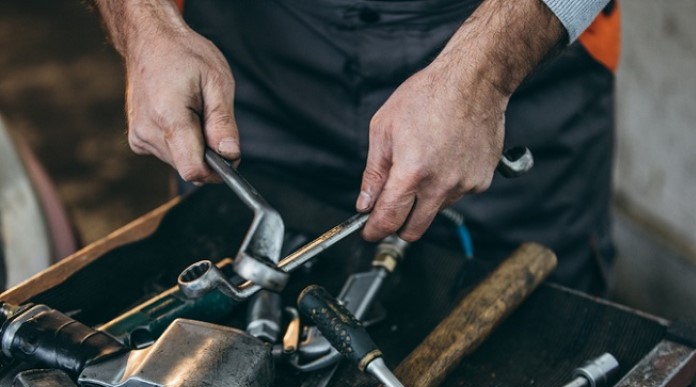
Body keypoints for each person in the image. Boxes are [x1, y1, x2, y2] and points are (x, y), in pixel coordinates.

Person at [90, 0, 620, 295]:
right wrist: (144, 27)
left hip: (513, 44)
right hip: (248, 56)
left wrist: (483, 76)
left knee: (542, 333)